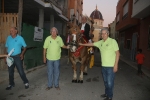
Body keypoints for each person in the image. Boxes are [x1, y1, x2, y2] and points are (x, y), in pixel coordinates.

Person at [79, 28, 120, 100]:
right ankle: (107, 93)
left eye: (105, 33)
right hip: (103, 66)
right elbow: (91, 44)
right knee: (106, 82)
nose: (103, 35)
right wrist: (81, 44)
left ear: (108, 34)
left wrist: (116, 65)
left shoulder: (112, 41)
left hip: (111, 67)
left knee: (110, 83)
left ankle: (110, 96)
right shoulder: (100, 42)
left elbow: (118, 53)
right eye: (102, 33)